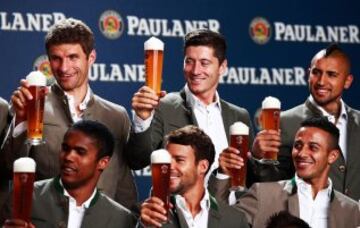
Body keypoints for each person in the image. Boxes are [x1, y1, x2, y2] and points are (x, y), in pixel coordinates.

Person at [1, 18, 137, 210]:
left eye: (73, 57)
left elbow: (125, 193)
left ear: (91, 58)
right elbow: (7, 169)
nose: (64, 68)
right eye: (56, 58)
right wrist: (22, 120)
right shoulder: (30, 105)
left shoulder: (117, 115)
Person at [126, 29, 254, 184]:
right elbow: (137, 161)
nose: (195, 71)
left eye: (204, 63)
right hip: (181, 208)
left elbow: (250, 176)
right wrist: (142, 119)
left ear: (222, 67)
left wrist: (259, 156)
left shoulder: (239, 116)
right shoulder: (163, 106)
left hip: (231, 207)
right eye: (189, 61)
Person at [251, 44, 360, 201]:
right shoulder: (283, 123)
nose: (321, 81)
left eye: (331, 74)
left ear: (347, 81)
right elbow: (272, 184)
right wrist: (257, 158)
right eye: (316, 72)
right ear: (308, 74)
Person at [213, 117, 360, 228]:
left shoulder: (351, 210)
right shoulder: (263, 195)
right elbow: (219, 222)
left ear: (332, 156)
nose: (302, 153)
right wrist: (223, 174)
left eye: (313, 147)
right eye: (298, 145)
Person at [1, 120, 136, 227]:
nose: (68, 157)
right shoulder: (24, 197)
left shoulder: (121, 218)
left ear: (103, 162)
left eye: (80, 152)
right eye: (65, 148)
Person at [139, 125, 249, 227]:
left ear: (203, 166)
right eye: (167, 159)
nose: (169, 166)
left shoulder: (235, 219)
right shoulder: (149, 215)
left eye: (179, 160)